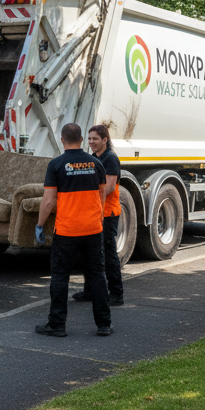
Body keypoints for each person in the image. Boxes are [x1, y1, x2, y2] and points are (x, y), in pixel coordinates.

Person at [34, 122, 112, 337]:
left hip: (67, 231)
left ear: (62, 139)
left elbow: (48, 201)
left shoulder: (56, 165)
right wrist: (98, 220)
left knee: (60, 277)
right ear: (81, 139)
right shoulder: (97, 164)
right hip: (93, 229)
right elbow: (101, 197)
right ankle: (104, 324)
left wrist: (39, 225)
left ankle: (57, 325)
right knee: (97, 275)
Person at [74, 124, 124, 305]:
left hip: (108, 213)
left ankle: (117, 294)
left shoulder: (110, 158)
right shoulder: (93, 158)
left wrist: (91, 197)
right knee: (89, 252)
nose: (91, 142)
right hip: (93, 212)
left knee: (108, 253)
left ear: (105, 140)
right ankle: (90, 291)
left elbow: (110, 186)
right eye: (89, 139)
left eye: (95, 139)